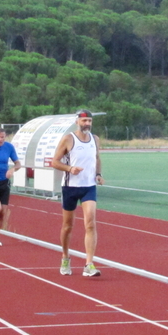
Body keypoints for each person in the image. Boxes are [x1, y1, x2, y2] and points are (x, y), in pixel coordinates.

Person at [51, 110, 105, 277]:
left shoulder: (95, 139)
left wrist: (98, 174)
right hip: (70, 187)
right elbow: (54, 161)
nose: (87, 124)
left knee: (90, 223)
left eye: (89, 121)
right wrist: (70, 169)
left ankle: (89, 264)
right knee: (68, 226)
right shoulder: (68, 139)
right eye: (84, 121)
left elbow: (96, 158)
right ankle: (65, 257)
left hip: (89, 186)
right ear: (77, 122)